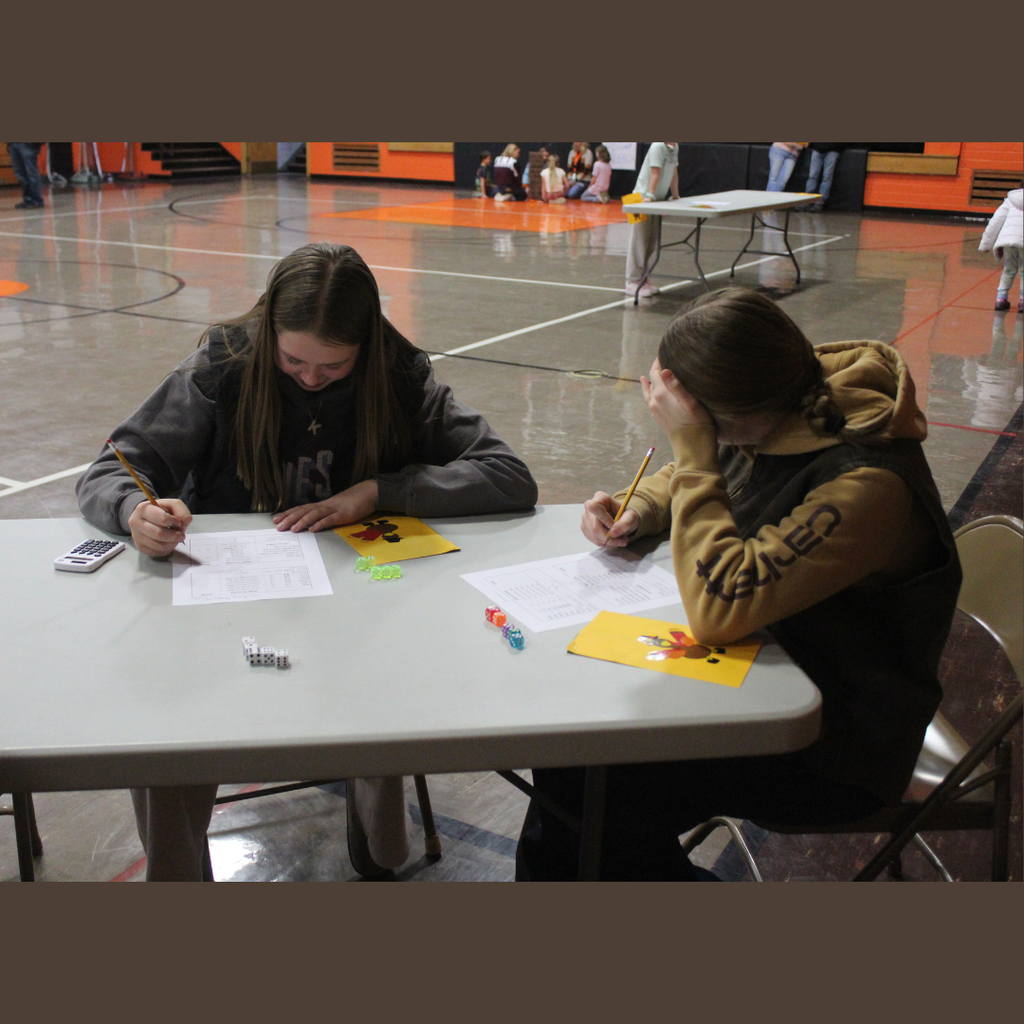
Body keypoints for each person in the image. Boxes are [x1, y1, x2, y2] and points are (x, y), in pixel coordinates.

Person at [76, 242, 539, 880]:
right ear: (268, 331)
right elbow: (112, 469)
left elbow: (508, 474)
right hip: (227, 601)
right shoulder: (222, 367)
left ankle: (378, 842)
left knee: (385, 675)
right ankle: (178, 878)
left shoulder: (399, 374)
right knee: (167, 721)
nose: (311, 378)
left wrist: (381, 490)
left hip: (363, 603)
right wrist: (135, 510)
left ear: (366, 349)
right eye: (293, 360)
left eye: (334, 366)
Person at [517, 287, 961, 880]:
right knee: (572, 770)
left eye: (702, 427)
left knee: (590, 786)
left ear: (729, 416)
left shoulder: (868, 483)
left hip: (837, 742)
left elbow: (719, 609)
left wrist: (694, 447)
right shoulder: (780, 405)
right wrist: (641, 505)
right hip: (763, 674)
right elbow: (702, 470)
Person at [625, 142, 679, 298]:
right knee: (638, 242)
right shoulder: (657, 147)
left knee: (651, 242)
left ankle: (644, 278)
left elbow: (674, 173)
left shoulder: (675, 148)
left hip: (657, 200)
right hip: (637, 199)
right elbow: (655, 173)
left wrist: (675, 195)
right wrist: (649, 197)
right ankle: (632, 281)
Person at [978, 187, 1023, 313]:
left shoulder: (1010, 201)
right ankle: (1022, 301)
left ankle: (1001, 299)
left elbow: (995, 222)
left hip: (1008, 241)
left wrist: (985, 244)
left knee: (1009, 269)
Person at [802, 143, 846, 211]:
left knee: (826, 177)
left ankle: (819, 202)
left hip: (832, 150)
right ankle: (808, 200)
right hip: (819, 149)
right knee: (813, 176)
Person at [6, 143, 45, 209]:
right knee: (20, 174)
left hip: (27, 144)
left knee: (31, 173)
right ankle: (28, 199)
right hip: (13, 143)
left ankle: (37, 200)